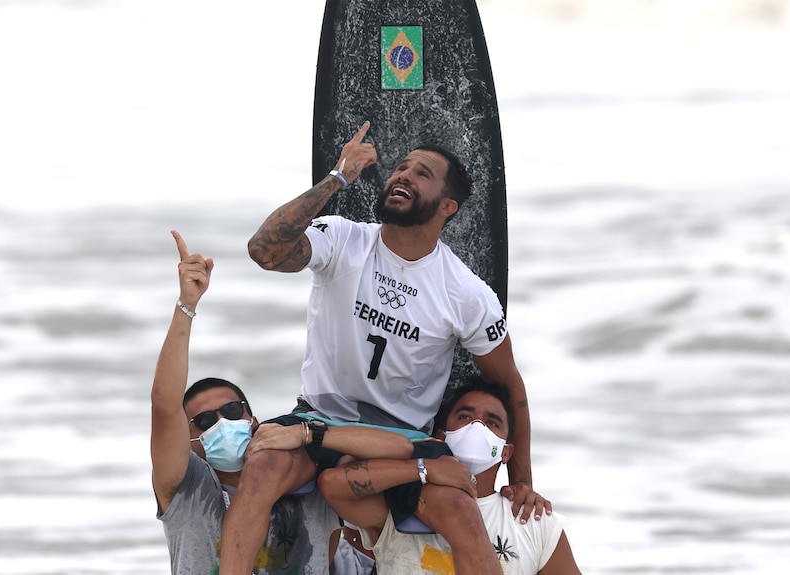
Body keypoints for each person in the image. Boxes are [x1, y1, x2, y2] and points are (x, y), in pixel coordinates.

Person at [218, 122, 549, 573]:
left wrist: (522, 481)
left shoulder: (466, 294)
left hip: (403, 441)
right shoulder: (342, 239)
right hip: (318, 415)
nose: (404, 175)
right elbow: (264, 250)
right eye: (401, 167)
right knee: (261, 466)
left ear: (447, 206)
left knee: (458, 510)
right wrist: (336, 178)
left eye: (422, 173)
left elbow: (511, 386)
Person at [151, 230, 341, 574]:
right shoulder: (186, 490)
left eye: (233, 411)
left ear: (253, 420)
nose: (223, 422)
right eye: (205, 421)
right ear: (190, 442)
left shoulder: (307, 472)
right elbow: (164, 407)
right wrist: (186, 306)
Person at [318, 376, 583, 575]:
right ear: (441, 437)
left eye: (491, 422)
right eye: (465, 416)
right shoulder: (403, 504)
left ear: (505, 452)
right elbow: (333, 485)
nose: (476, 426)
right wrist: (422, 468)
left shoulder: (533, 520)